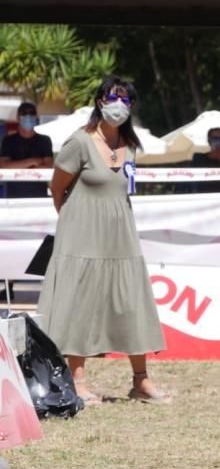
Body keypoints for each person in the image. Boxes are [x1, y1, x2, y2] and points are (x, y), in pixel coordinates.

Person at [37, 76, 170, 405]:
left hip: (121, 236)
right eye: (113, 97)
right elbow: (58, 188)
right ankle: (77, 380)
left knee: (131, 303)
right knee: (79, 305)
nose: (119, 105)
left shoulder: (131, 146)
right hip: (81, 235)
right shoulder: (79, 142)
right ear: (99, 101)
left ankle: (141, 380)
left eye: (126, 100)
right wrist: (71, 223)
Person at [0, 101, 54, 301]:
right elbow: (4, 166)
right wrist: (32, 161)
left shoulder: (44, 140)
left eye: (32, 113)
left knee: (42, 243)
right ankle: (9, 284)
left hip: (39, 201)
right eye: (25, 113)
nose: (29, 116)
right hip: (14, 200)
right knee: (12, 241)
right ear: (18, 117)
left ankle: (46, 285)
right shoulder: (9, 141)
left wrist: (18, 165)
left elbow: (48, 167)